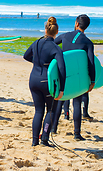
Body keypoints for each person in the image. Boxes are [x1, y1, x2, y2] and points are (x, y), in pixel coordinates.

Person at [51, 14, 95, 141]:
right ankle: (76, 133)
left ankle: (54, 128)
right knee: (77, 103)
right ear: (86, 27)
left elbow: (53, 44)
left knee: (60, 99)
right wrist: (92, 81)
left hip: (63, 73)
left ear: (76, 23)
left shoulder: (65, 36)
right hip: (78, 76)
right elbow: (91, 63)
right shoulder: (88, 43)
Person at [23, 17, 65, 147]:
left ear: (45, 29)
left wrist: (37, 63)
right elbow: (62, 68)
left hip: (33, 80)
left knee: (38, 111)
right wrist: (62, 89)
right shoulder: (56, 48)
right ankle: (45, 139)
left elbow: (25, 56)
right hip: (46, 82)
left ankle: (34, 141)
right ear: (56, 32)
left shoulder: (36, 43)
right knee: (51, 111)